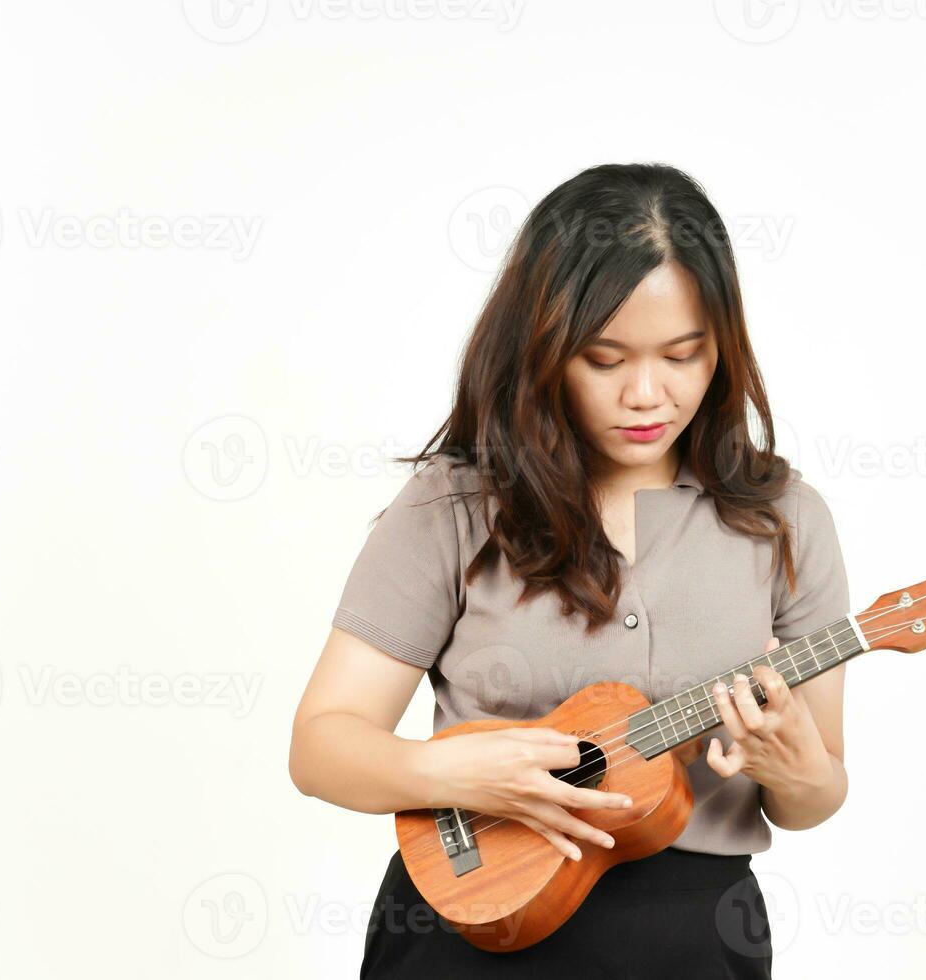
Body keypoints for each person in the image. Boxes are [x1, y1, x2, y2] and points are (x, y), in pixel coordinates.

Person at [288, 162, 852, 978]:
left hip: (695, 942)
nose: (647, 394)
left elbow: (815, 795)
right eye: (605, 358)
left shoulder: (785, 518)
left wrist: (799, 772)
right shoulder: (452, 505)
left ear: (722, 348)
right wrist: (457, 773)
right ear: (544, 349)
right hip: (467, 923)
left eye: (685, 355)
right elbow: (320, 746)